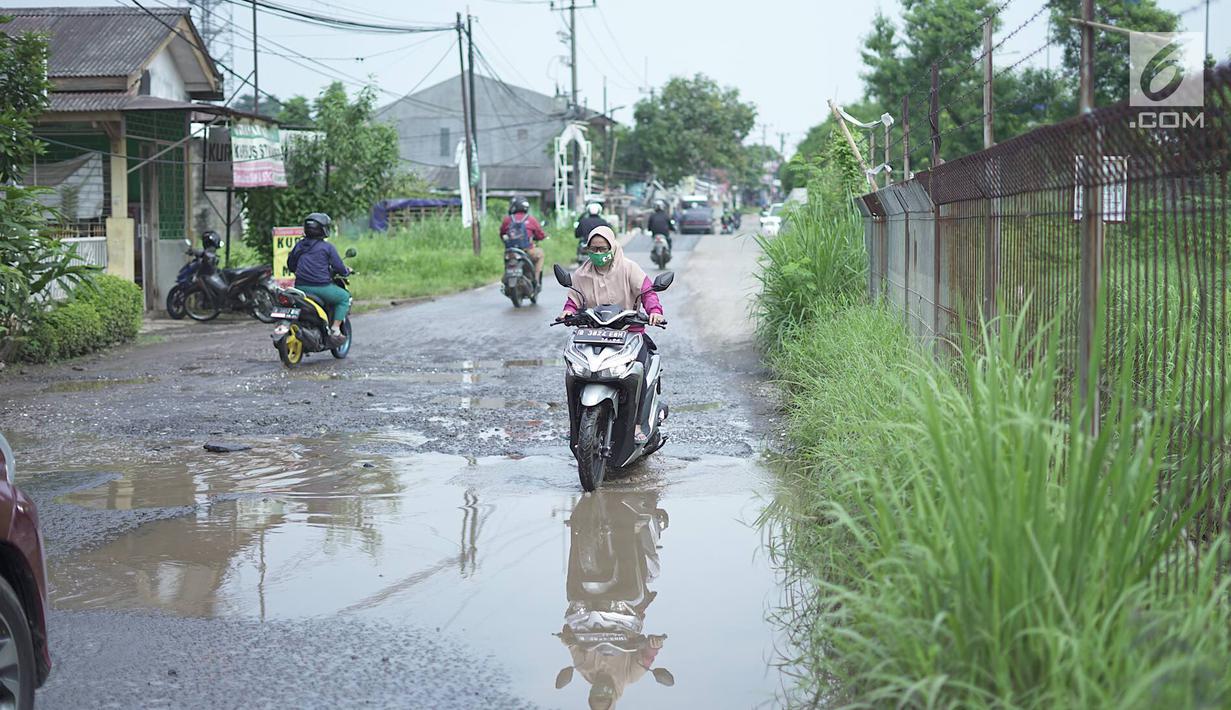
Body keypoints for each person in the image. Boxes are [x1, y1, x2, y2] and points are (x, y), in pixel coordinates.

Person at [558, 225, 664, 443]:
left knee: (640, 371)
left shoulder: (629, 268)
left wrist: (654, 311)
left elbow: (647, 293)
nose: (598, 254)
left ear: (613, 247)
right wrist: (568, 312)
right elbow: (573, 299)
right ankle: (576, 424)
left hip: (628, 333)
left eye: (602, 249)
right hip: (592, 335)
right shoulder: (581, 274)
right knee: (574, 373)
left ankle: (638, 424)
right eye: (593, 249)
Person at [286, 212, 351, 345]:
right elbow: (339, 266)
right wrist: (346, 271)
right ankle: (335, 329)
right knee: (344, 297)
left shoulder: (299, 245)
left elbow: (291, 264)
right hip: (321, 288)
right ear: (323, 229)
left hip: (300, 287)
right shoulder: (327, 247)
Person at [500, 197, 547, 282]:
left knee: (507, 259)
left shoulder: (507, 219)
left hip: (511, 251)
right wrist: (543, 236)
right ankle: (536, 280)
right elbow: (540, 235)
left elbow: (502, 233)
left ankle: (506, 277)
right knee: (540, 254)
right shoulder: (531, 219)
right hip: (527, 251)